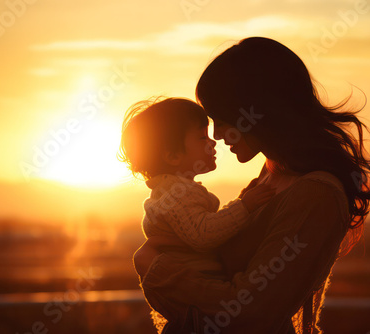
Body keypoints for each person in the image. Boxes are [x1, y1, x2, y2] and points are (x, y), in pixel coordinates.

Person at [133, 37, 370, 334]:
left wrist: (157, 270)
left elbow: (248, 313)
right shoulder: (272, 173)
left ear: (256, 111)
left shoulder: (316, 195)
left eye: (221, 120)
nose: (217, 135)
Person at [118, 98, 277, 316]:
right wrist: (244, 206)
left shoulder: (173, 191)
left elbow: (201, 226)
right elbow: (203, 234)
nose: (213, 143)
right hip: (201, 288)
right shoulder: (175, 194)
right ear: (173, 156)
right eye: (203, 137)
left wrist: (242, 201)